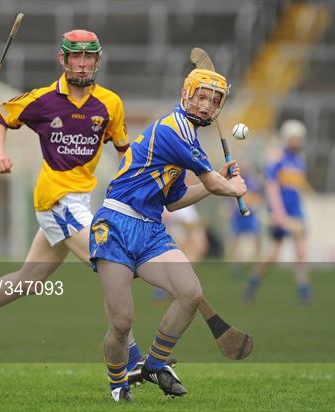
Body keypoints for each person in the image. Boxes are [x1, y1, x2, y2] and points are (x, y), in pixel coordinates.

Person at [0, 30, 152, 374]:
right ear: (63, 60)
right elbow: (0, 116)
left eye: (89, 58)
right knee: (113, 264)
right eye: (76, 57)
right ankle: (131, 361)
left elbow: (124, 151)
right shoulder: (43, 99)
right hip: (55, 198)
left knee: (28, 280)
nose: (82, 64)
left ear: (97, 61)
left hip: (81, 200)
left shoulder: (110, 103)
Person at [89, 68, 247, 401]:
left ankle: (155, 363)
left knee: (190, 292)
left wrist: (215, 182)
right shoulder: (174, 129)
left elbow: (174, 201)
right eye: (201, 97)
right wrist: (229, 187)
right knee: (121, 322)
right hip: (116, 224)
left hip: (149, 229)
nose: (206, 106)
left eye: (214, 101)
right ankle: (118, 383)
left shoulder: (188, 137)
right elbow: (212, 182)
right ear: (186, 94)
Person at [244, 119, 312, 304]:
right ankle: (252, 283)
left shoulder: (299, 160)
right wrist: (278, 212)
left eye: (299, 138)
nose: (297, 141)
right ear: (286, 138)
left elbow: (297, 185)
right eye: (294, 138)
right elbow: (272, 186)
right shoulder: (277, 157)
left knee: (301, 252)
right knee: (274, 254)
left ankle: (304, 292)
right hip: (280, 212)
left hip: (296, 212)